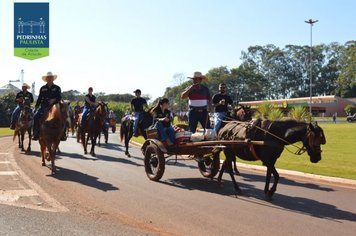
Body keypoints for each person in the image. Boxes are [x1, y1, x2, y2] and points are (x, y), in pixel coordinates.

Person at [32, 72, 62, 140]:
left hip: (55, 106)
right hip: (44, 106)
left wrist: (54, 100)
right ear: (46, 79)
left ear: (53, 79)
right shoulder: (42, 88)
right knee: (36, 117)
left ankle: (63, 134)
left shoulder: (57, 88)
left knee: (63, 116)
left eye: (51, 77)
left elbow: (60, 97)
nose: (50, 79)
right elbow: (39, 98)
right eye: (48, 78)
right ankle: (35, 133)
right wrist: (36, 107)